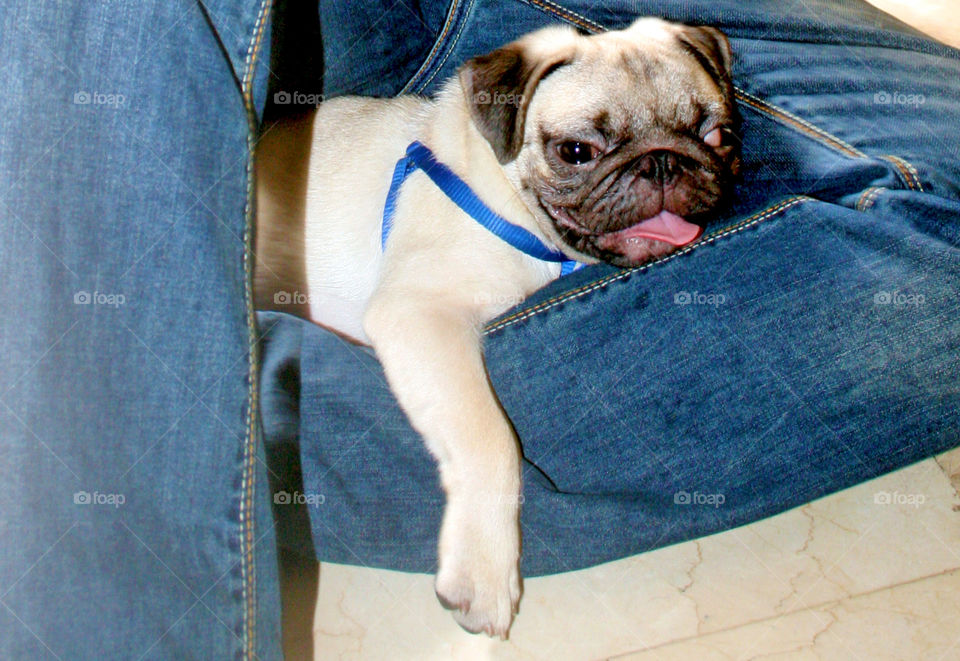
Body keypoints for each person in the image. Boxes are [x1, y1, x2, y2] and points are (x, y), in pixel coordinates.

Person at [2, 1, 958, 658]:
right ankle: (181, 427)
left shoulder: (639, 57)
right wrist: (484, 474)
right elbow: (411, 309)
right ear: (503, 124)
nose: (662, 174)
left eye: (703, 136)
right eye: (584, 153)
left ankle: (216, 421)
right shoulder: (464, 176)